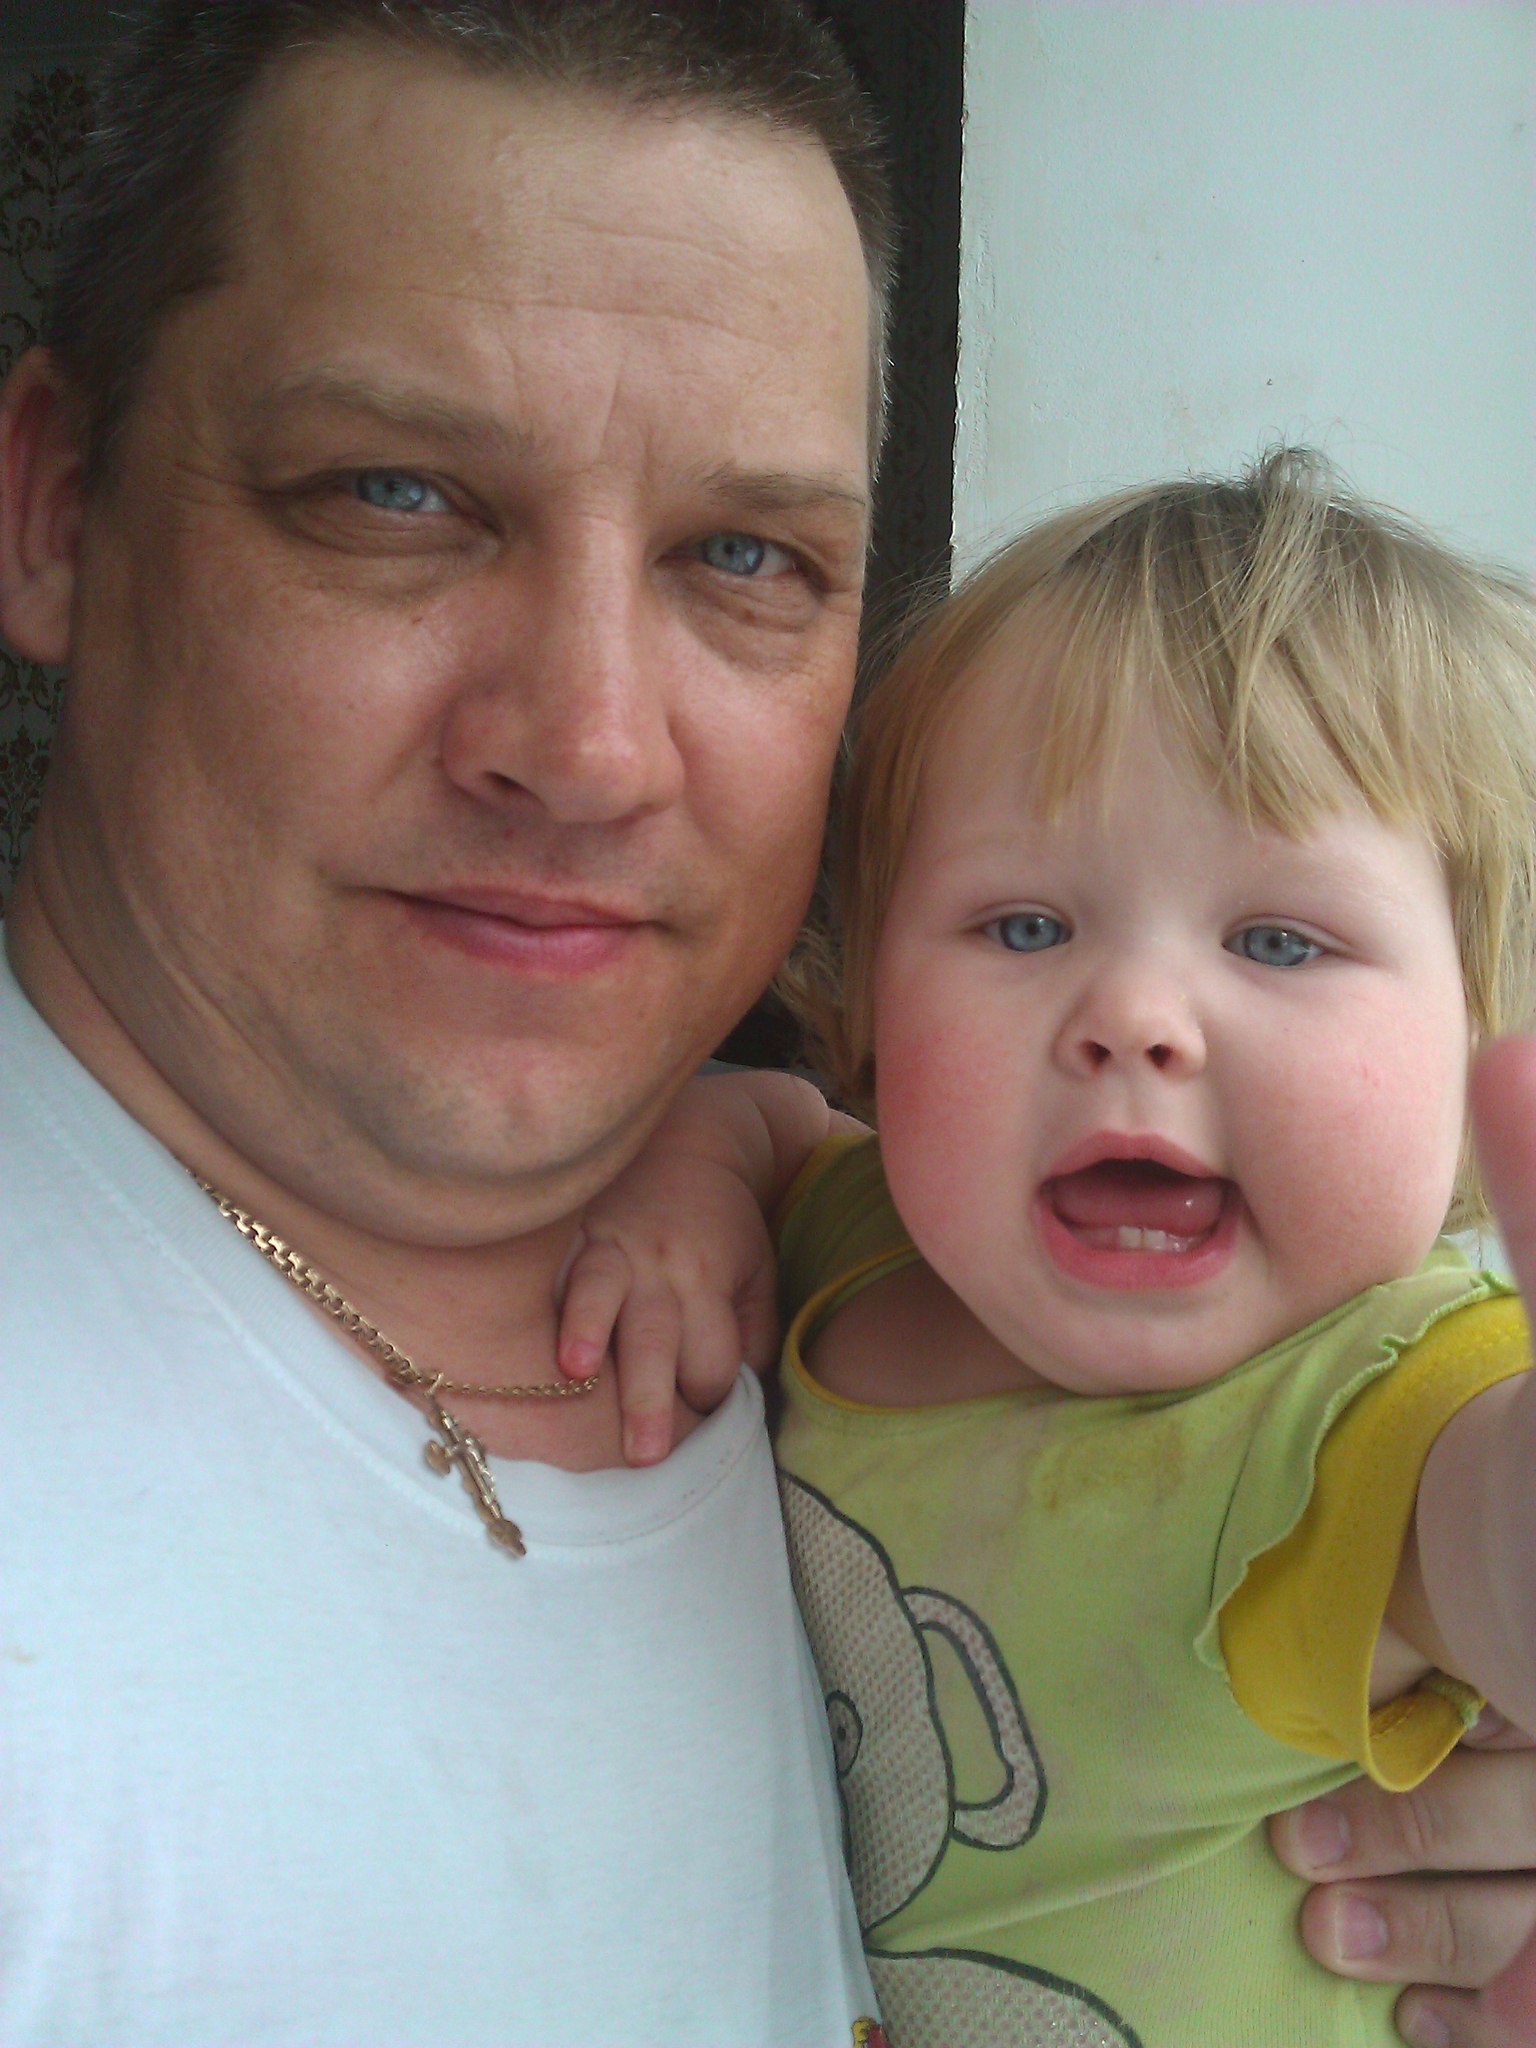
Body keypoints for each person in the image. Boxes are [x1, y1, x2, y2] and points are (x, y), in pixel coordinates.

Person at [0, 0, 1529, 2038]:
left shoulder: (948, 1276)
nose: (587, 747)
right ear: (56, 507)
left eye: (744, 555)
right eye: (396, 493)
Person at [562, 451, 1536, 2046]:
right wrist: (687, 1175)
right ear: (868, 999)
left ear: (1480, 1028)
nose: (1134, 1018)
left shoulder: (1364, 1410)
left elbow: (1494, 1535)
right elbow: (773, 1121)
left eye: (1280, 941)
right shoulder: (870, 1238)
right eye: (1024, 927)